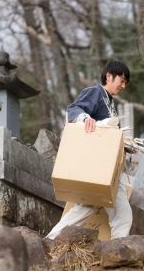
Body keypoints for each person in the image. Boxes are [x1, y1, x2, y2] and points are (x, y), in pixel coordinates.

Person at [46, 60, 132, 240]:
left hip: (108, 168)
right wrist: (85, 119)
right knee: (97, 208)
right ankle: (51, 240)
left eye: (125, 83)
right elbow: (74, 109)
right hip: (98, 167)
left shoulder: (109, 102)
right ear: (109, 76)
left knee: (117, 212)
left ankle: (116, 250)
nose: (123, 86)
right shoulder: (96, 92)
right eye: (121, 80)